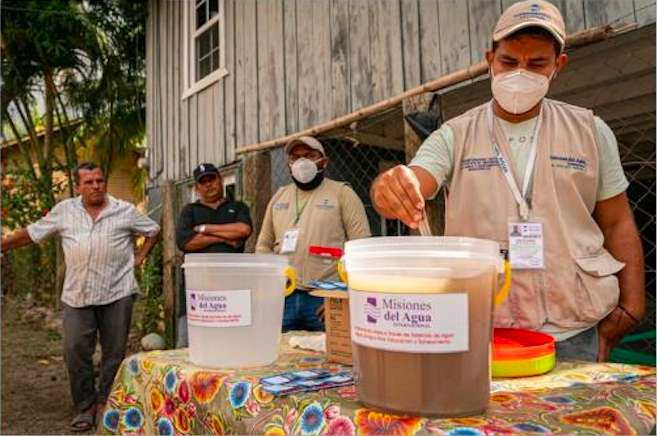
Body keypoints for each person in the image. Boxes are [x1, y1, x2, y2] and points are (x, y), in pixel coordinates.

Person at [370, 0, 644, 362]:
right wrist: (389, 186)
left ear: (557, 66)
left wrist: (632, 305)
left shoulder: (590, 132)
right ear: (490, 60)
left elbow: (617, 221)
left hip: (576, 328)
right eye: (509, 61)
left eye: (536, 64)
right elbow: (417, 177)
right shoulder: (456, 134)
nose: (520, 73)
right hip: (485, 330)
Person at [1, 162, 160, 432]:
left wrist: (140, 257)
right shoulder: (65, 211)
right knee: (74, 350)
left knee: (114, 352)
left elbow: (153, 230)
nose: (96, 186)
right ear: (78, 186)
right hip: (77, 295)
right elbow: (33, 232)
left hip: (117, 292)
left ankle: (105, 404)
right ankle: (85, 405)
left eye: (100, 180)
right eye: (89, 182)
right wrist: (3, 244)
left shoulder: (124, 210)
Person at [256, 136, 371, 331]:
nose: (302, 162)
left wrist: (345, 296)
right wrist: (271, 285)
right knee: (280, 354)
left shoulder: (342, 194)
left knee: (328, 357)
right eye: (295, 157)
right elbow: (263, 245)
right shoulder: (279, 196)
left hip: (325, 298)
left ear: (323, 162)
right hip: (284, 298)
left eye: (309, 156)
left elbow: (362, 248)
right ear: (288, 165)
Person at [175, 163, 252, 347]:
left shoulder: (237, 207)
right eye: (203, 182)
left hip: (233, 292)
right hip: (197, 294)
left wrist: (205, 230)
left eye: (212, 179)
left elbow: (242, 230)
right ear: (197, 187)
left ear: (221, 180)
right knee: (188, 348)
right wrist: (225, 239)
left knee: (233, 346)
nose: (209, 185)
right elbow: (186, 243)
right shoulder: (190, 211)